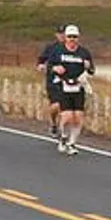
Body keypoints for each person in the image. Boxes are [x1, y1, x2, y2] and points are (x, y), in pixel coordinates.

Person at [41, 24, 94, 155]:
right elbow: (48, 65)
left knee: (79, 117)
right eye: (70, 37)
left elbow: (92, 70)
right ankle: (63, 138)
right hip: (63, 86)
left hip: (78, 86)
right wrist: (55, 68)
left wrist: (88, 68)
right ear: (65, 37)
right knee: (67, 116)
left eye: (75, 37)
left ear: (78, 38)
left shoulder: (84, 52)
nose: (72, 39)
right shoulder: (58, 51)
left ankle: (72, 143)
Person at [36, 27, 67, 140]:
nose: (62, 36)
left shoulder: (72, 48)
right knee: (56, 105)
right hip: (53, 80)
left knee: (66, 106)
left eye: (64, 33)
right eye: (60, 34)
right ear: (56, 35)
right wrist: (41, 65)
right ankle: (54, 123)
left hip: (68, 81)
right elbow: (41, 60)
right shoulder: (51, 48)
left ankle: (63, 130)